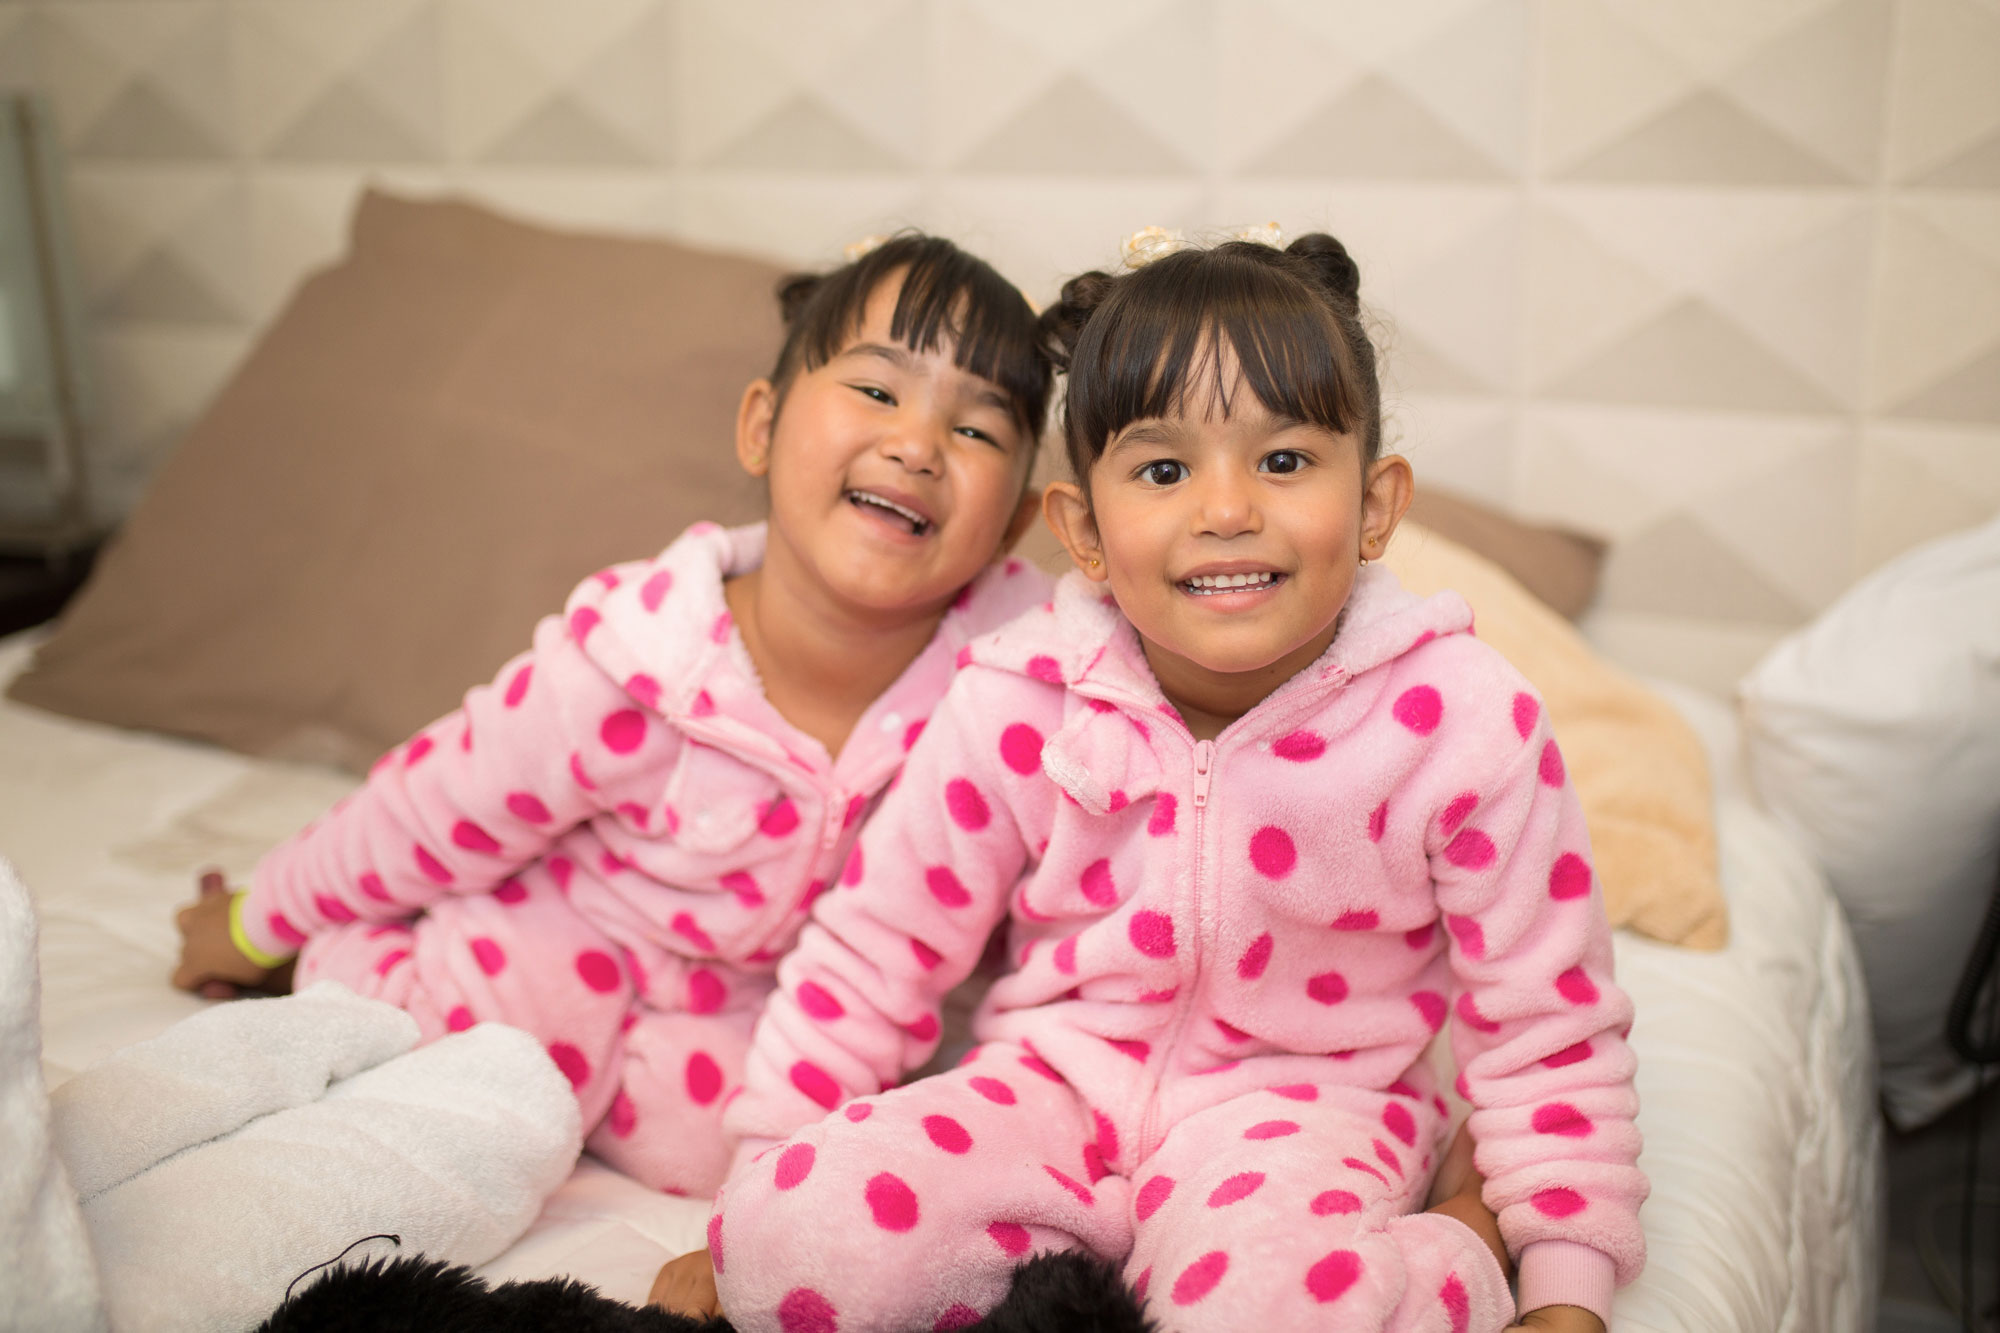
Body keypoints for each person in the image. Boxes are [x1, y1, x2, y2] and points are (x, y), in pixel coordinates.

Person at [661, 230, 1645, 1331]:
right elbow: (870, 955)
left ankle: (1451, 1247)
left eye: (1281, 461)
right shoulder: (1020, 694)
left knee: (1267, 1314)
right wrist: (743, 1203)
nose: (1224, 509)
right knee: (797, 1241)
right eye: (1163, 470)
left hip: (1306, 1111)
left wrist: (1566, 1283)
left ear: (1373, 506)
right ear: (1082, 530)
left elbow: (1546, 1027)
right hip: (1052, 1090)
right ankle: (1047, 1252)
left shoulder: (1461, 722)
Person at [170, 233, 1057, 1197]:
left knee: (737, 1153)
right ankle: (340, 953)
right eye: (878, 391)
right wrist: (257, 920)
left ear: (1013, 524)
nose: (918, 445)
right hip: (564, 926)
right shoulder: (639, 659)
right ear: (760, 426)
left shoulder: (1009, 690)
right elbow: (429, 804)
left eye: (977, 429)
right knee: (449, 1055)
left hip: (759, 998)